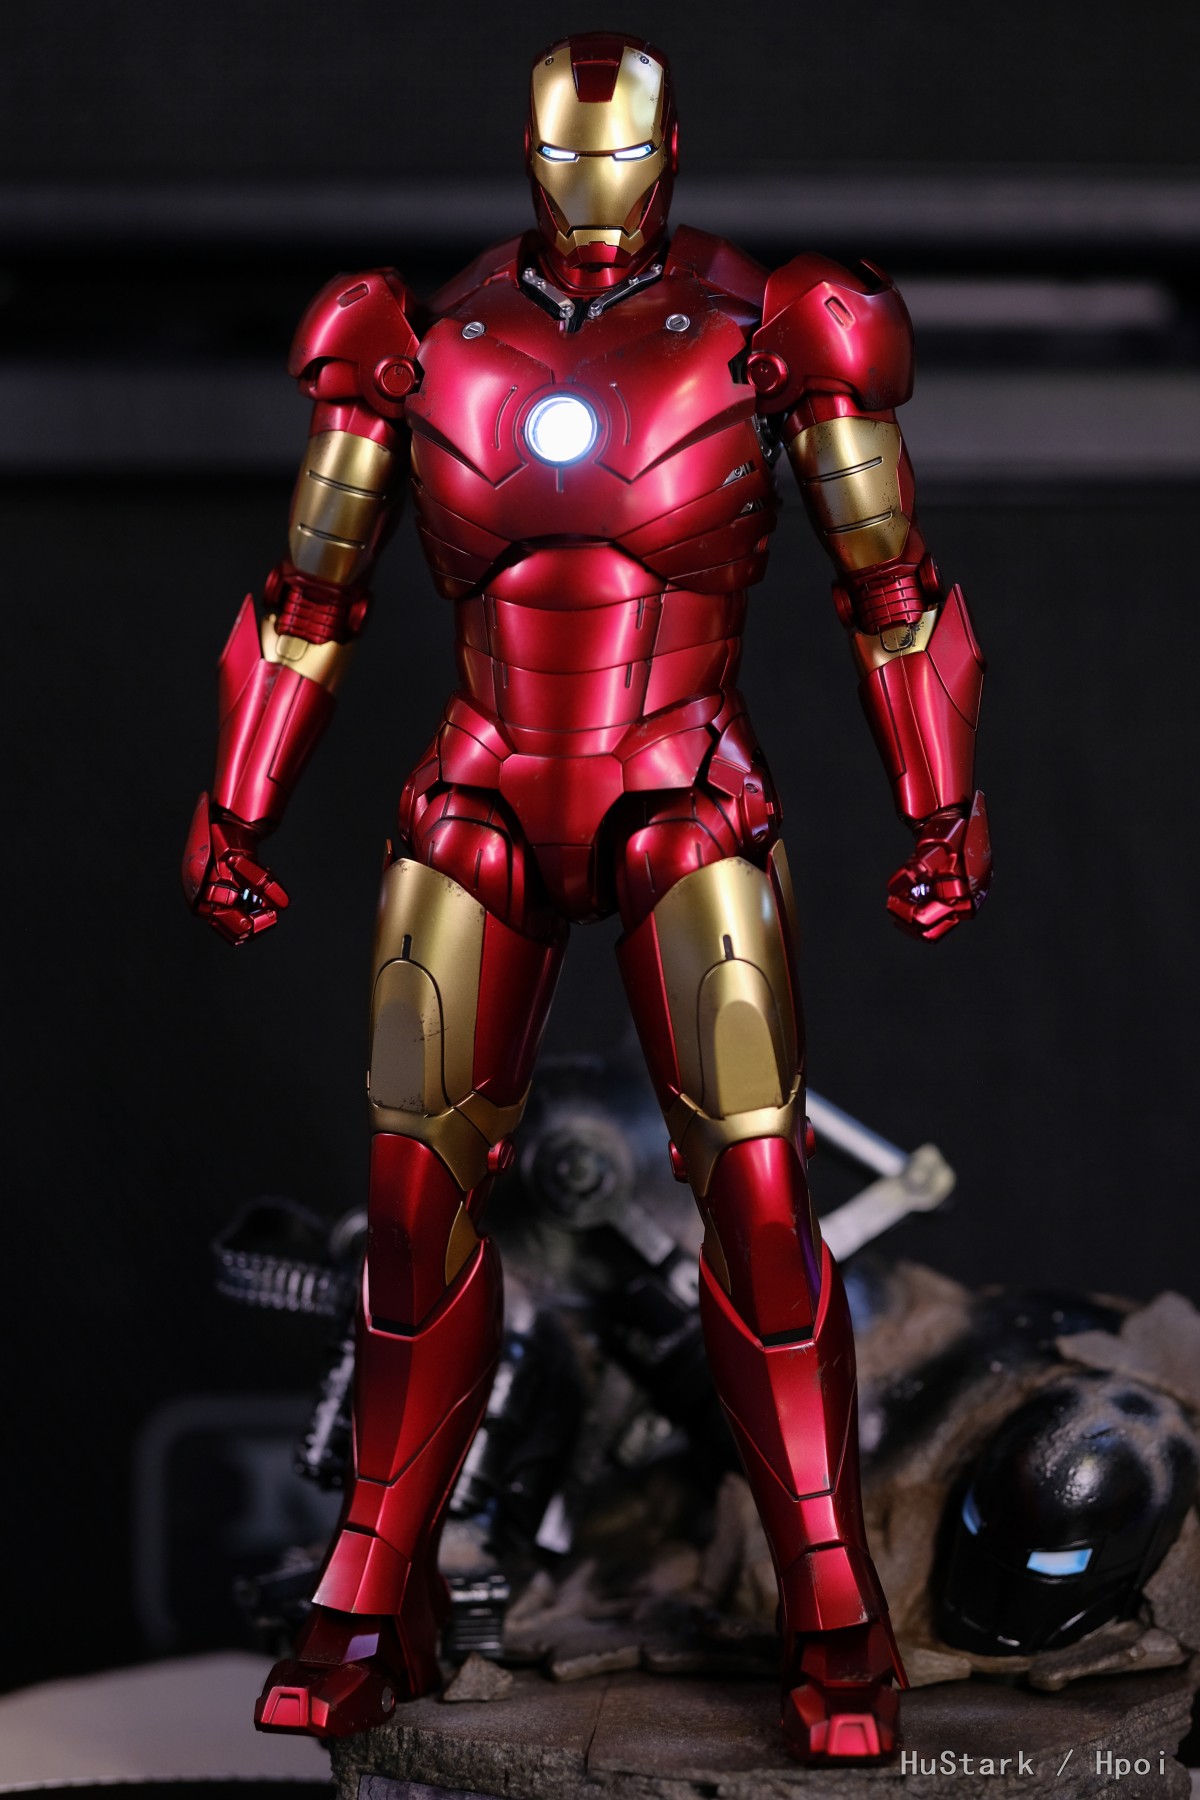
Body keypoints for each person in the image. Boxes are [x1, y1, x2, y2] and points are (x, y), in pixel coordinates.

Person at [184, 32, 990, 1763]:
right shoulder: (415, 336)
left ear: (670, 153)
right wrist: (239, 801)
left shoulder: (778, 328)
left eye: (619, 162)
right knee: (412, 1201)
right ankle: (374, 1583)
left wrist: (942, 803)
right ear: (533, 158)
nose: (595, 194)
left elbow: (893, 588)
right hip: (481, 785)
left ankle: (831, 1594)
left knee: (757, 1200)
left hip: (684, 786)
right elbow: (310, 598)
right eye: (567, 161)